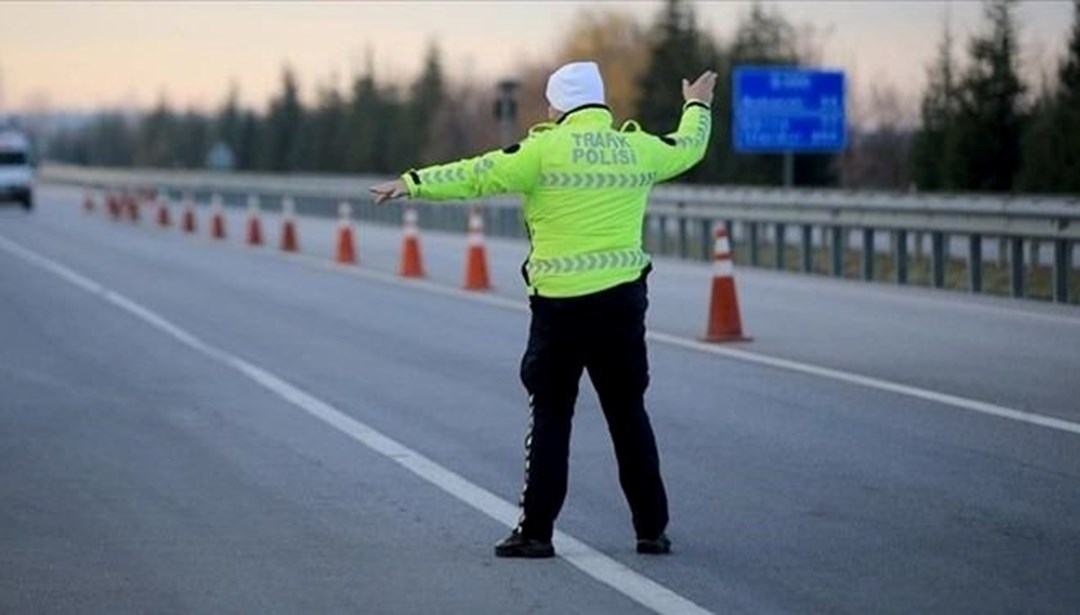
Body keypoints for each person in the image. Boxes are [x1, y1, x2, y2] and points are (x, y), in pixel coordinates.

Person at [371, 61, 715, 558]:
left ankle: (536, 533)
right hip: (621, 305)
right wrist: (696, 105)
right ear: (598, 102)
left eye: (551, 101)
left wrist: (414, 182)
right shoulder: (636, 148)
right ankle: (651, 529)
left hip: (560, 310)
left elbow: (477, 174)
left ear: (559, 105)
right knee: (627, 414)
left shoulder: (541, 150)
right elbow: (689, 147)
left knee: (552, 417)